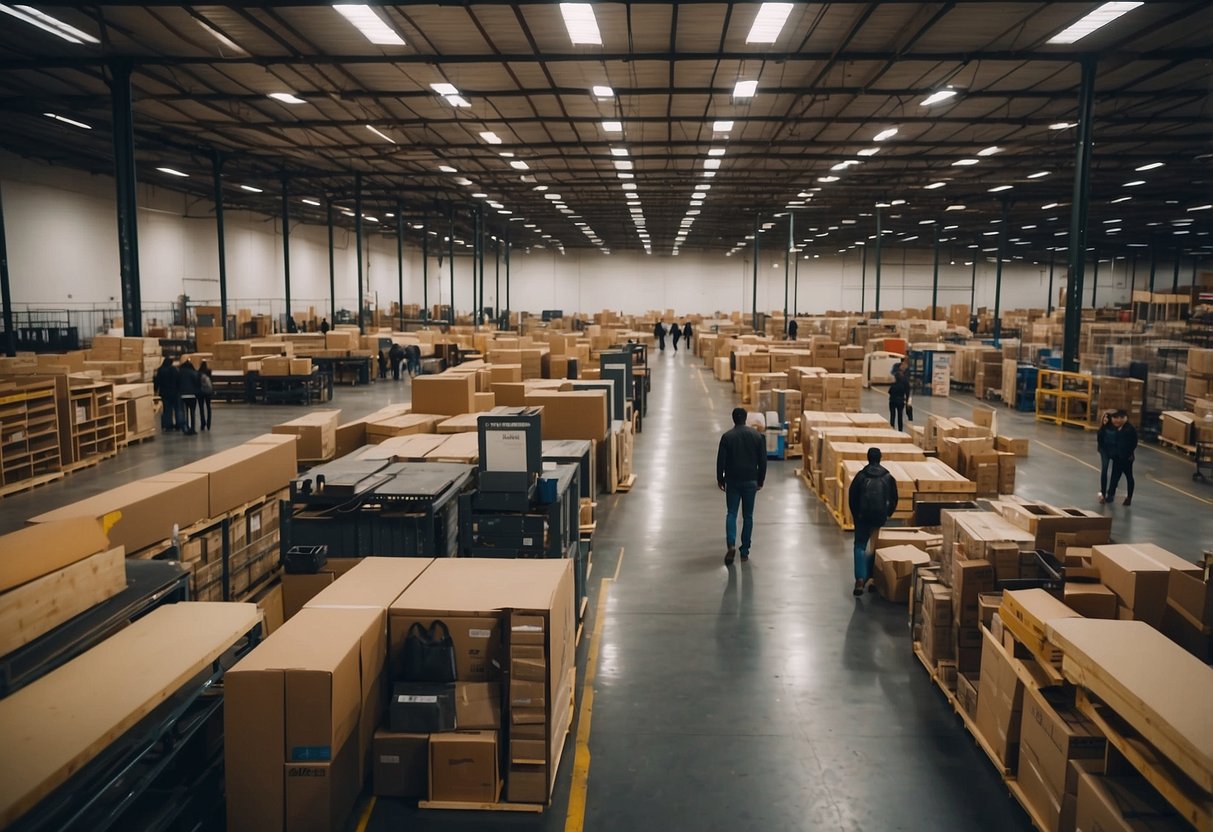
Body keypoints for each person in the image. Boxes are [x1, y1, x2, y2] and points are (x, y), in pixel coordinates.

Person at [716, 407, 767, 565]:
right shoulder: (757, 436)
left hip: (733, 480)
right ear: (746, 419)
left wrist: (720, 479)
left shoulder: (727, 437)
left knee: (731, 513)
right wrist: (760, 480)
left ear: (733, 419)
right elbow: (762, 461)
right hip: (751, 481)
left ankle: (731, 543)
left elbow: (721, 461)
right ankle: (744, 551)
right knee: (748, 516)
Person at [847, 447, 898, 596]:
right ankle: (873, 578)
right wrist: (887, 513)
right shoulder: (888, 477)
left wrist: (856, 516)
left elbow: (852, 497)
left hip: (863, 517)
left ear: (867, 458)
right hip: (879, 517)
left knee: (860, 546)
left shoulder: (861, 476)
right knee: (875, 548)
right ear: (880, 458)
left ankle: (860, 579)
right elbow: (894, 498)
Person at [1104, 410, 1138, 506]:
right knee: (1115, 476)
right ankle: (1110, 495)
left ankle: (1129, 497)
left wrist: (1128, 453)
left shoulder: (1130, 429)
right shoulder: (1117, 428)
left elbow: (1134, 443)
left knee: (1129, 477)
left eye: (1118, 418)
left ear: (1123, 418)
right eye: (1114, 419)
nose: (1116, 421)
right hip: (1117, 457)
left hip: (1126, 458)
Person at [154, 356, 179, 432]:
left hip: (164, 392)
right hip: (174, 392)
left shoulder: (160, 370)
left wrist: (155, 390)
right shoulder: (174, 370)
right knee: (177, 409)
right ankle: (178, 424)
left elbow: (157, 381)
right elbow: (178, 380)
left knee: (166, 409)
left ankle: (167, 425)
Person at [1096, 411, 1116, 502]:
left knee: (1115, 473)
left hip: (1112, 451)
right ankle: (1103, 493)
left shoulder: (1113, 430)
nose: (1105, 419)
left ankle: (1111, 492)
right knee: (1104, 470)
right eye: (1104, 417)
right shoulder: (1101, 430)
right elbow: (1100, 442)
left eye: (1107, 418)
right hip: (1105, 451)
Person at [178, 359, 199, 436]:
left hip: (182, 395)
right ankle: (192, 428)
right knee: (192, 412)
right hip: (192, 395)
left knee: (183, 412)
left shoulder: (179, 372)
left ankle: (185, 427)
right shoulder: (193, 372)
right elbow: (197, 383)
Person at [198, 360, 214, 432]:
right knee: (208, 407)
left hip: (200, 392)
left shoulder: (198, 373)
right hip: (208, 392)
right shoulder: (209, 372)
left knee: (201, 408)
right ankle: (209, 423)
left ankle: (202, 423)